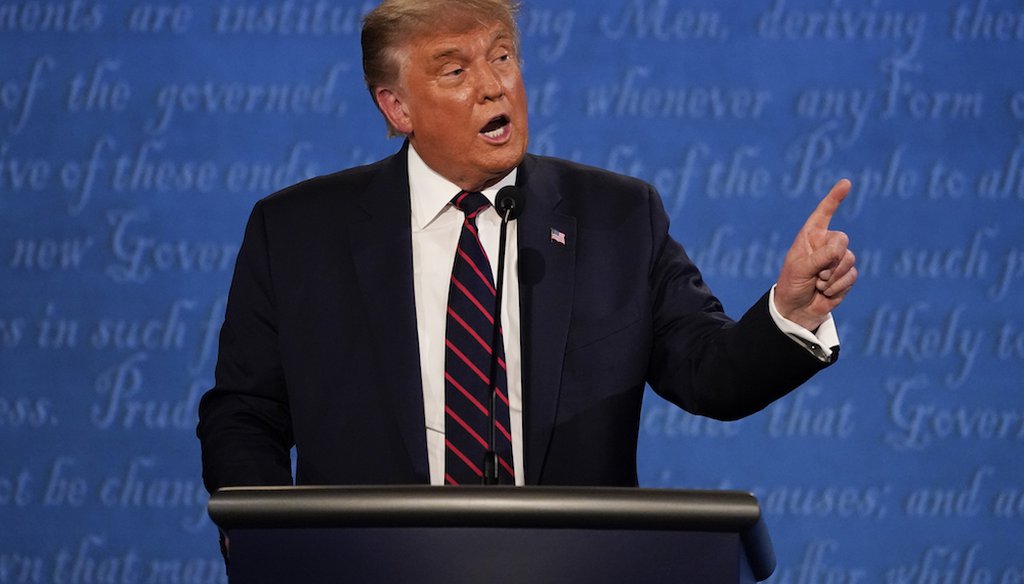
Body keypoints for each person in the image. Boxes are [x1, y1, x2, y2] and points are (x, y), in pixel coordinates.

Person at [197, 0, 856, 495]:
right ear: (397, 108)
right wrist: (265, 543)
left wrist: (791, 313)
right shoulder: (298, 234)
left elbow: (711, 375)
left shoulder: (618, 219)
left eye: (502, 56)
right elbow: (246, 414)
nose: (493, 86)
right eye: (456, 70)